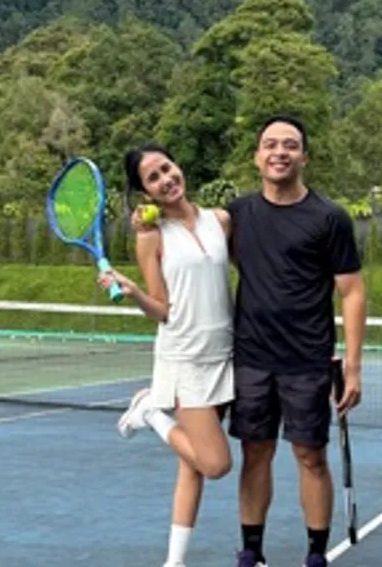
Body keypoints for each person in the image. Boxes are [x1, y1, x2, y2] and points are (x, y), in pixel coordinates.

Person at [227, 114, 366, 567]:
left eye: (290, 145)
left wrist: (353, 367)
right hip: (251, 358)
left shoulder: (329, 218)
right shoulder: (236, 215)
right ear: (257, 156)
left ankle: (315, 556)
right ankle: (252, 551)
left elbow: (352, 292)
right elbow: (186, 228)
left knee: (310, 456)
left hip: (307, 361)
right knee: (255, 453)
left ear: (304, 156)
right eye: (270, 144)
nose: (279, 152)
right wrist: (146, 225)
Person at [98, 144, 235, 567]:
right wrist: (134, 292)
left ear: (179, 166)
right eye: (153, 178)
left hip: (225, 354)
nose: (166, 180)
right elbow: (162, 308)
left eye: (166, 168)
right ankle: (150, 413)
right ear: (145, 192)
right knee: (215, 464)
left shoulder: (220, 220)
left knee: (191, 465)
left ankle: (174, 562)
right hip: (184, 360)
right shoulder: (150, 235)